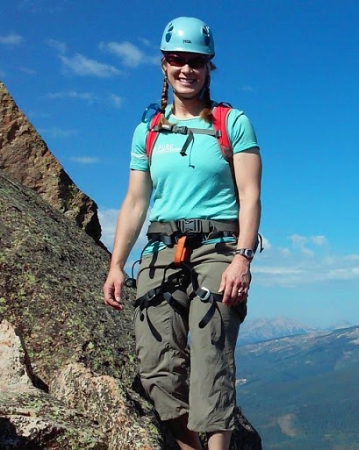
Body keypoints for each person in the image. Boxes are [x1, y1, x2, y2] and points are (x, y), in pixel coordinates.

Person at [103, 16, 262, 450]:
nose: (186, 69)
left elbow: (250, 196)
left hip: (218, 248)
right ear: (163, 65)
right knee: (155, 365)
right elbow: (135, 201)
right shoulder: (148, 131)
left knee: (211, 356)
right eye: (177, 59)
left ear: (210, 67)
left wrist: (242, 258)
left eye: (196, 61)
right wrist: (116, 264)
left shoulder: (233, 124)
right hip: (161, 249)